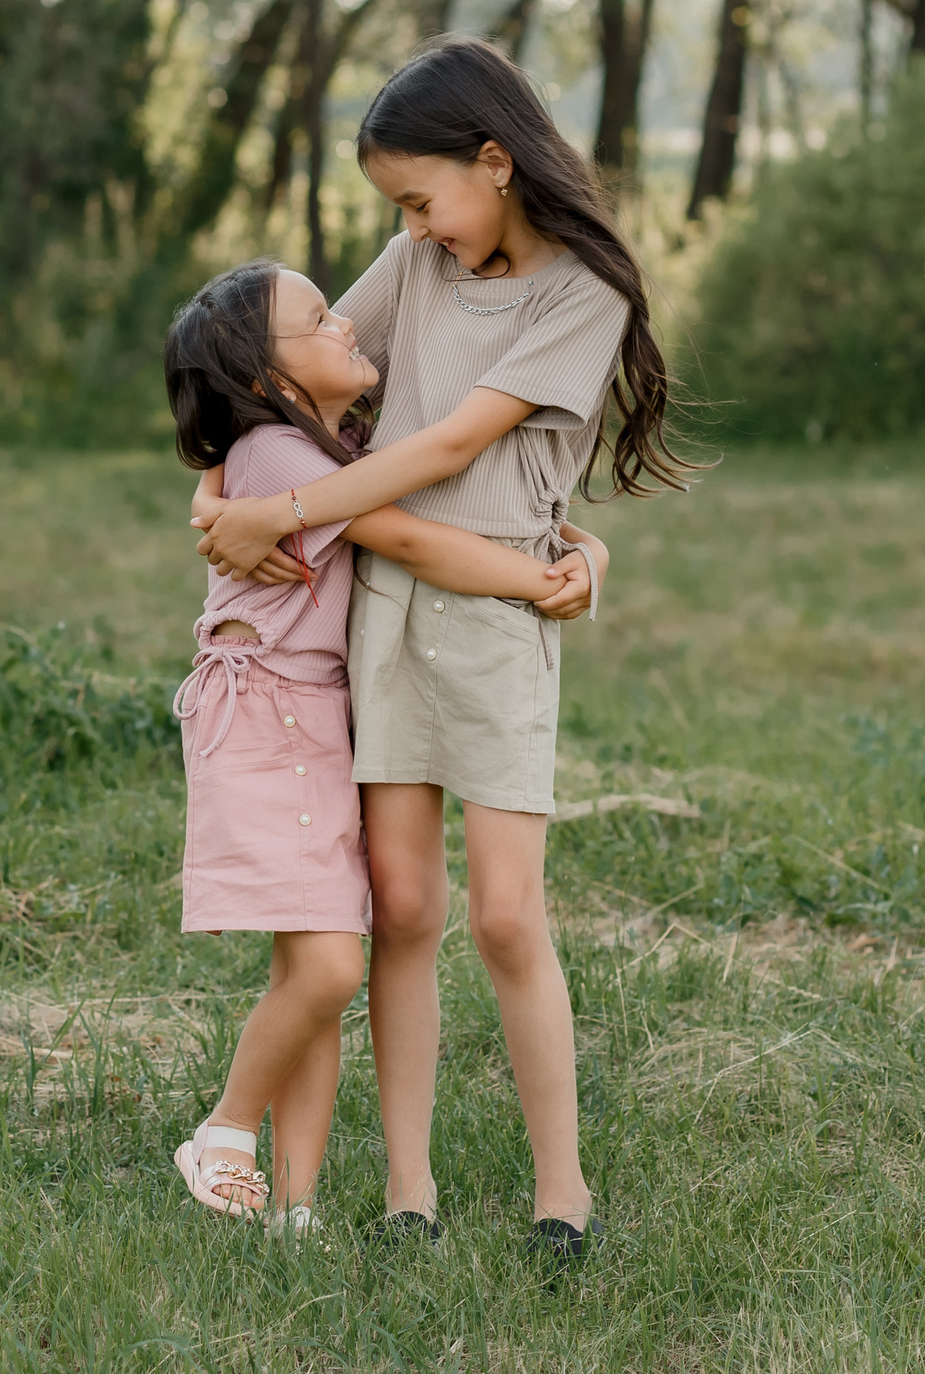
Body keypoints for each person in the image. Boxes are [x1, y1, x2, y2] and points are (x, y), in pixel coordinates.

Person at [193, 36, 693, 1262]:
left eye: (420, 200)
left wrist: (281, 514)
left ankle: (559, 1193)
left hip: (497, 621)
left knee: (507, 917)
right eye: (396, 211)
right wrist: (218, 499)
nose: (410, 228)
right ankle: (407, 1191)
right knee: (405, 906)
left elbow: (442, 450)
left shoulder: (582, 292)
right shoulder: (423, 256)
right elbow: (283, 378)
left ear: (494, 162)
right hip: (380, 613)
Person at [162, 257, 601, 1229]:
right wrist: (539, 582)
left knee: (313, 972)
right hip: (268, 724)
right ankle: (225, 1130)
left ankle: (294, 1207)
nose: (348, 326)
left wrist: (582, 546)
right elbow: (400, 533)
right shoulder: (282, 453)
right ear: (269, 380)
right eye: (320, 320)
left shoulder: (319, 443)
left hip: (316, 722)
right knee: (323, 971)